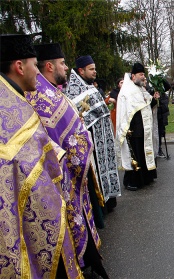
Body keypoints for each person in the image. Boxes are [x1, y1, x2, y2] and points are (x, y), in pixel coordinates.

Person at [0, 34, 83, 278]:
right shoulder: (9, 111)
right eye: (34, 65)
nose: (37, 73)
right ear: (19, 66)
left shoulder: (16, 100)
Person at [24, 43, 108, 277]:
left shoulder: (49, 90)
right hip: (63, 176)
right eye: (63, 63)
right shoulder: (42, 95)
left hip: (71, 172)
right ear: (49, 66)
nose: (66, 67)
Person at [65, 55, 121, 228]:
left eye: (95, 68)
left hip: (102, 139)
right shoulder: (74, 90)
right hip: (92, 143)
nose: (95, 71)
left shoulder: (90, 87)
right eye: (91, 69)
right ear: (81, 71)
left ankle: (108, 199)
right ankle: (100, 204)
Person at [116, 63, 159, 191]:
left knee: (144, 154)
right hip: (133, 130)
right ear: (133, 76)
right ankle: (132, 181)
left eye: (144, 74)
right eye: (141, 74)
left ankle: (146, 178)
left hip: (144, 129)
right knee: (135, 156)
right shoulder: (127, 91)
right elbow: (125, 112)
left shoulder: (141, 89)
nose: (143, 77)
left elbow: (146, 105)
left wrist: (154, 100)